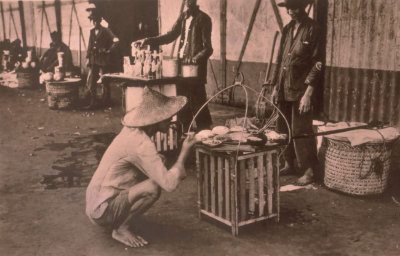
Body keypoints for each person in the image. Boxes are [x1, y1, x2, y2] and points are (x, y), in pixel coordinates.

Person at [86, 86, 197, 247]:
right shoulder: (141, 144)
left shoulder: (132, 131)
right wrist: (183, 155)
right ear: (156, 121)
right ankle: (121, 228)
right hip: (102, 211)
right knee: (153, 187)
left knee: (161, 159)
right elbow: (170, 185)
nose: (171, 120)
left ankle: (121, 216)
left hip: (95, 201)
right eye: (168, 117)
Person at [134, 0, 213, 132]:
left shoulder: (204, 19)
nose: (189, 2)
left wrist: (195, 59)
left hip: (194, 69)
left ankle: (205, 133)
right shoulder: (183, 17)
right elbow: (169, 36)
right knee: (182, 101)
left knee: (198, 101)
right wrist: (147, 40)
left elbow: (208, 49)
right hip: (180, 67)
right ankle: (184, 132)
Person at [270, 0, 322, 185]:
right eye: (289, 8)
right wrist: (276, 86)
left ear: (304, 7)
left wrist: (308, 94)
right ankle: (288, 163)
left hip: (301, 90)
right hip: (284, 87)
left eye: (295, 7)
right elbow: (279, 60)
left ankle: (308, 171)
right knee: (282, 128)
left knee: (301, 129)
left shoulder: (313, 29)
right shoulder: (287, 29)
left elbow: (318, 64)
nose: (291, 11)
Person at [84, 4, 120, 109]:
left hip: (103, 59)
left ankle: (106, 101)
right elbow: (90, 45)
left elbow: (116, 41)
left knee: (104, 80)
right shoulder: (91, 31)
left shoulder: (106, 30)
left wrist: (108, 51)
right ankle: (93, 101)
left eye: (94, 20)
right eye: (92, 20)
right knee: (91, 81)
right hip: (93, 58)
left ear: (98, 20)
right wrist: (87, 58)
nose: (93, 22)